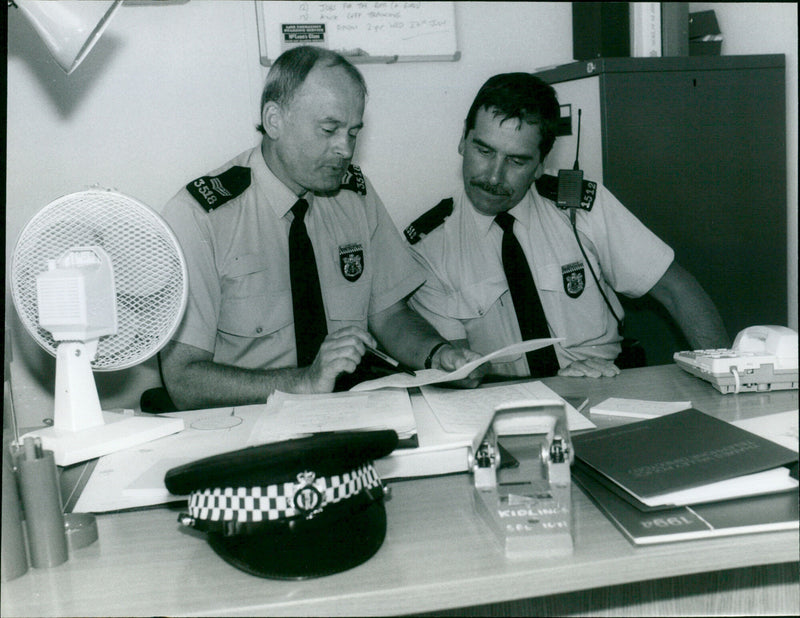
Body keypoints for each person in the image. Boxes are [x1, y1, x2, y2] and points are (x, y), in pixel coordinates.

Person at [159, 46, 483, 411]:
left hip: (350, 414)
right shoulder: (200, 216)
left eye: (353, 132)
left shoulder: (353, 195)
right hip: (249, 427)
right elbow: (183, 380)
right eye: (329, 129)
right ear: (274, 120)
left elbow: (389, 315)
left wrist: (436, 354)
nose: (345, 149)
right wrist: (304, 383)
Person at [405, 72, 729, 379]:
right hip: (503, 399)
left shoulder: (581, 207)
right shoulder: (429, 247)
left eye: (516, 161)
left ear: (539, 165)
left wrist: (724, 376)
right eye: (483, 150)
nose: (493, 176)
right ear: (463, 139)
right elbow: (461, 372)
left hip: (603, 381)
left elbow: (677, 290)